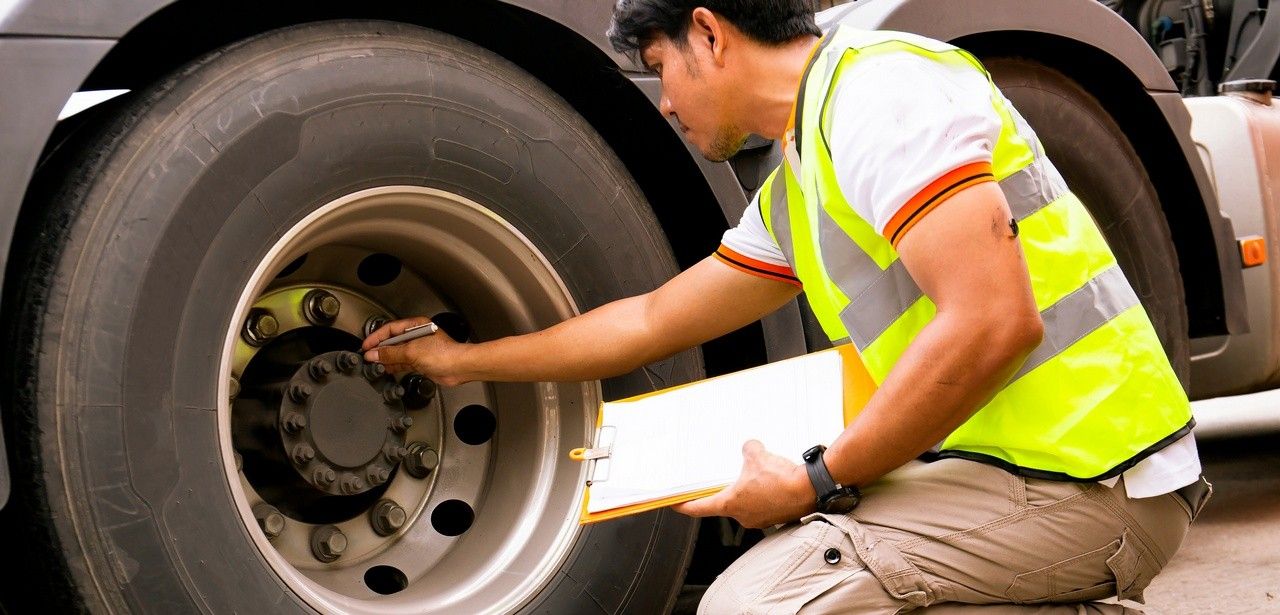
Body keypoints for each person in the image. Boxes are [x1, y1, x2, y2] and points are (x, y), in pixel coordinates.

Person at [362, 1, 1212, 612]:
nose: (663, 101)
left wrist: (815, 477)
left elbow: (994, 321)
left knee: (764, 601)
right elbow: (653, 319)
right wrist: (460, 360)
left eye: (661, 67)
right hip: (1009, 472)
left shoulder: (882, 97)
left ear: (709, 33)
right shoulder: (800, 181)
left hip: (1095, 484)